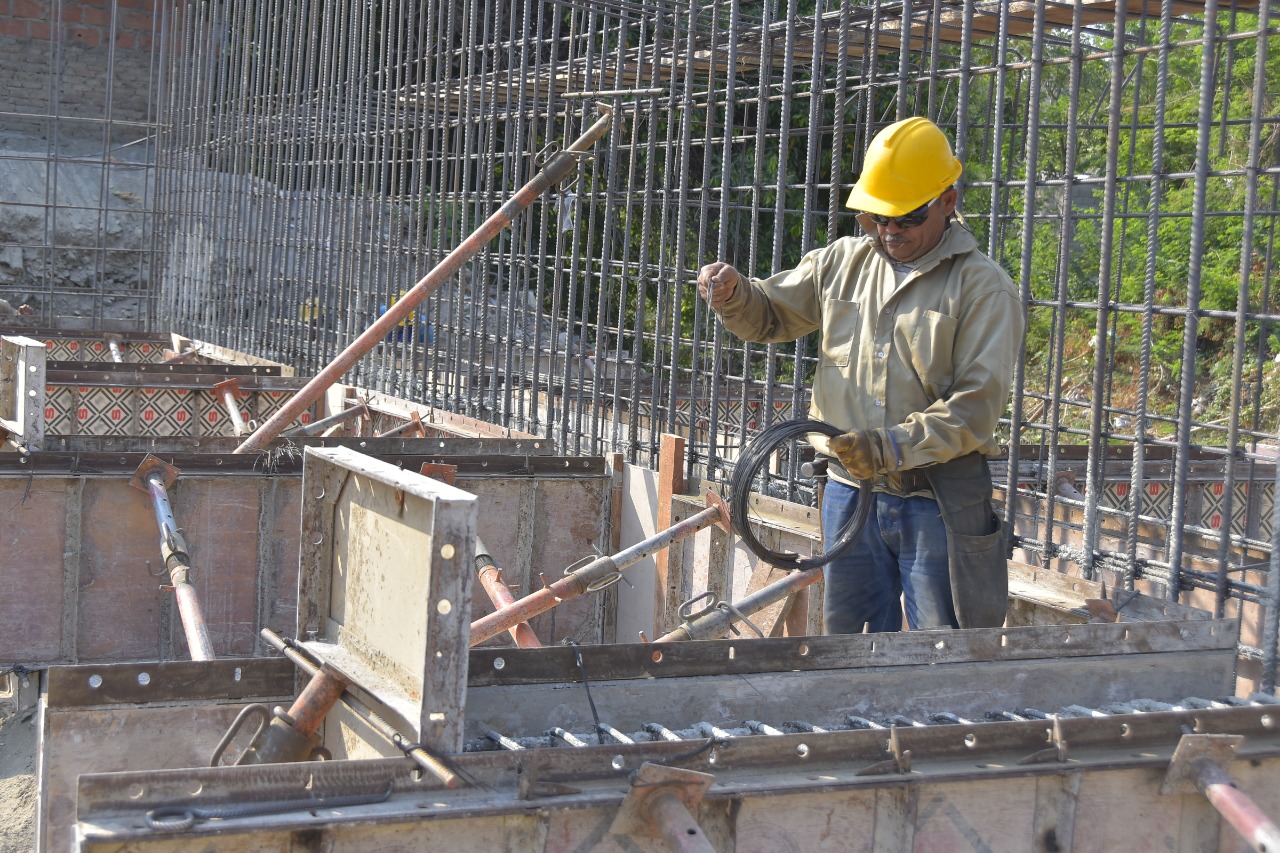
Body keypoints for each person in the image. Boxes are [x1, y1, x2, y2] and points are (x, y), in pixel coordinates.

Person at [697, 117, 1024, 633]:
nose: (890, 231)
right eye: (878, 217)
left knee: (940, 651)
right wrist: (735, 294)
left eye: (907, 217)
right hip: (851, 492)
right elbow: (771, 315)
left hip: (936, 498)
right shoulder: (842, 263)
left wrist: (889, 446)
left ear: (948, 201)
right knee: (849, 646)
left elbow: (975, 407)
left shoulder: (983, 288)